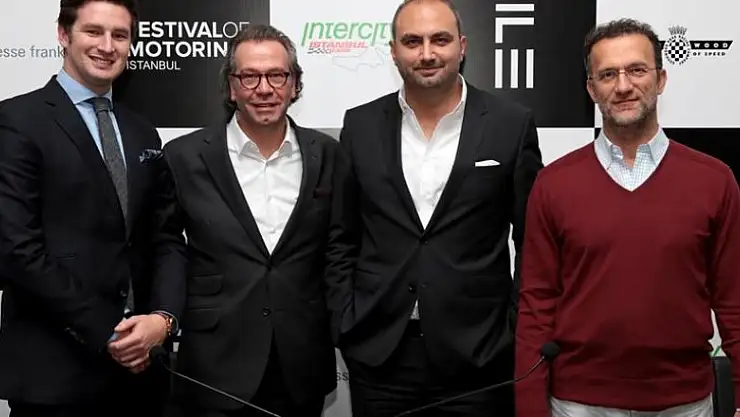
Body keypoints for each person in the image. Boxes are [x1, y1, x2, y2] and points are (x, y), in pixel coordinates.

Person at [515, 18, 740, 417]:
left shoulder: (714, 180)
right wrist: (530, 406)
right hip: (578, 404)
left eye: (636, 70)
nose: (623, 86)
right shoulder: (554, 184)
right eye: (608, 74)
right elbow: (536, 304)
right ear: (591, 89)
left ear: (661, 79)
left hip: (686, 403)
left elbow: (733, 300)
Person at [330, 0, 543, 415]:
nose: (427, 54)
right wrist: (346, 320)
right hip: (380, 354)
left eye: (439, 40)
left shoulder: (510, 124)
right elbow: (342, 235)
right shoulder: (360, 125)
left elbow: (533, 239)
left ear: (462, 46)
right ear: (393, 51)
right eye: (412, 41)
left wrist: (512, 328)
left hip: (479, 355)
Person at [151, 24, 349, 417]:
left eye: (277, 75)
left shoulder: (328, 154)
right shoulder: (183, 157)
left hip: (301, 363)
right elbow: (165, 247)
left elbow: (339, 248)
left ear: (295, 84)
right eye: (249, 77)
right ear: (231, 87)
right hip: (213, 365)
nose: (264, 89)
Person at [0, 0, 180, 416]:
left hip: (141, 375)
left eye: (120, 35)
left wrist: (163, 319)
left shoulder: (141, 130)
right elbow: (16, 248)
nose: (107, 46)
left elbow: (166, 236)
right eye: (94, 31)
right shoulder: (16, 120)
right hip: (55, 375)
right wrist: (108, 332)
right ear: (64, 35)